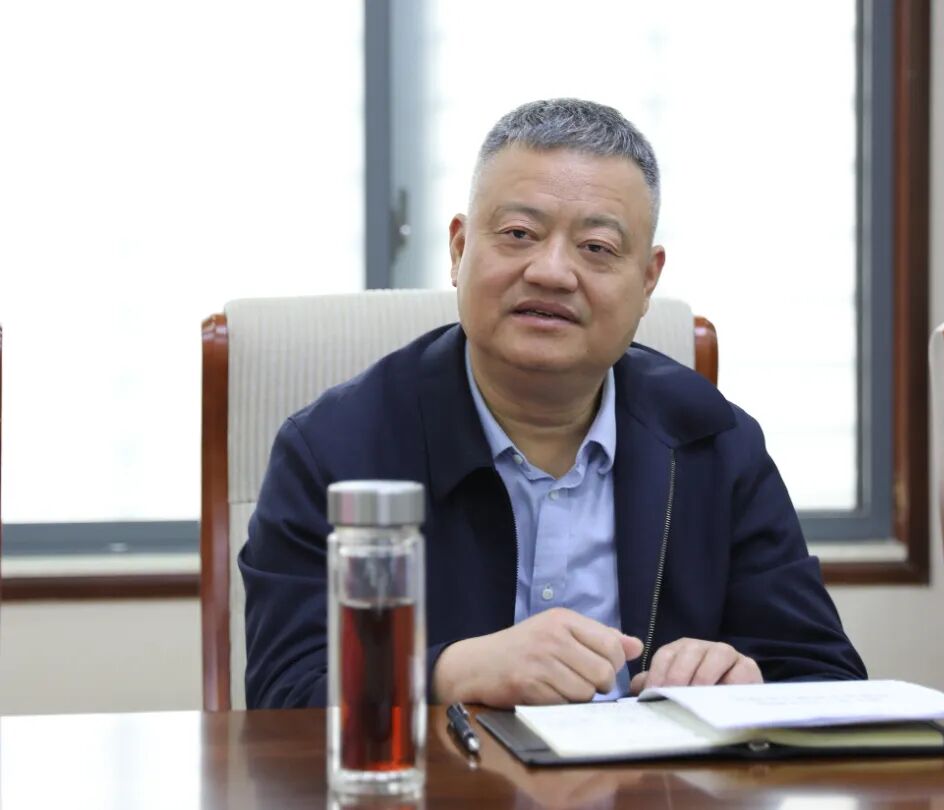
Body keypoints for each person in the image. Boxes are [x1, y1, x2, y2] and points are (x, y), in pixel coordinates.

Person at [240, 98, 866, 709]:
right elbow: (284, 696)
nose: (551, 272)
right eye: (519, 234)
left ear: (648, 279)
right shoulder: (336, 451)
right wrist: (450, 672)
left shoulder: (714, 443)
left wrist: (746, 683)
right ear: (458, 250)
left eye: (597, 248)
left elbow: (826, 677)